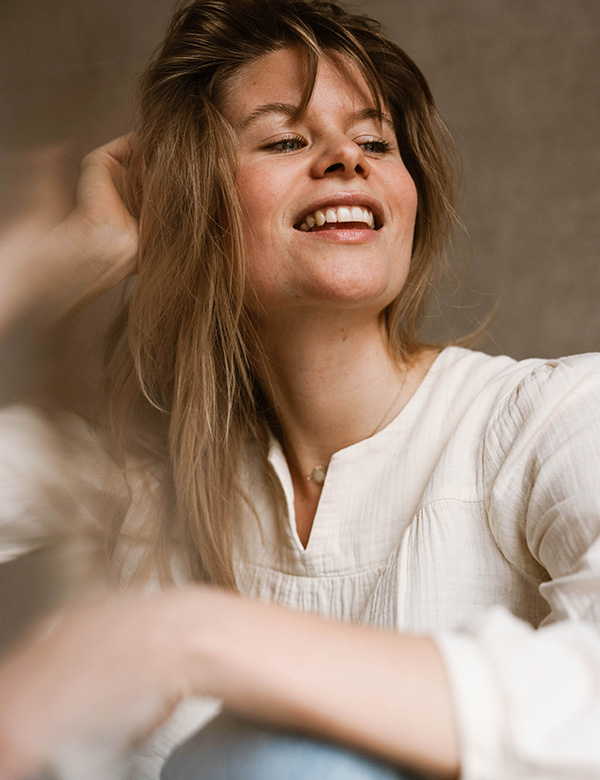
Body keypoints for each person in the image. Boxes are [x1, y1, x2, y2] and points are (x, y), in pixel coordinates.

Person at [0, 1, 599, 779]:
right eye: (286, 137)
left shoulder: (557, 422)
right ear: (194, 208)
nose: (347, 159)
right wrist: (54, 260)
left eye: (376, 140)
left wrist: (188, 638)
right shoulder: (127, 483)